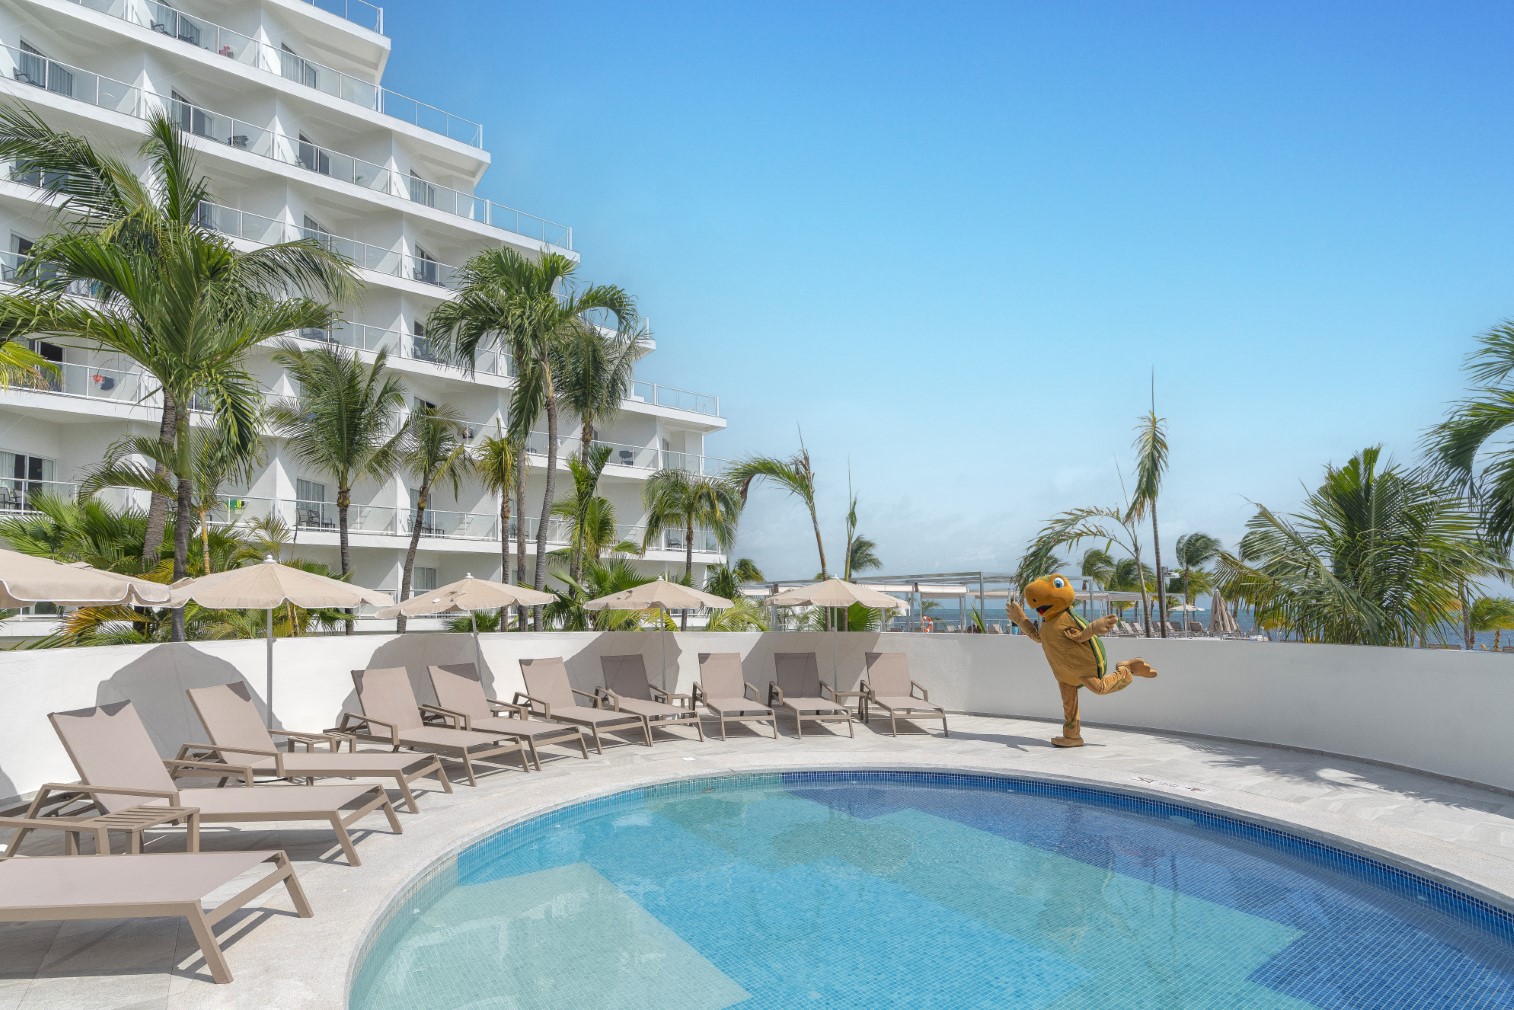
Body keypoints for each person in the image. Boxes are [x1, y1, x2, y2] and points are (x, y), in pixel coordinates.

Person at [1007, 573, 1157, 748]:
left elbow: (1080, 636)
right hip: (1063, 673)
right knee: (1068, 705)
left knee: (1100, 688)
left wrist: (1094, 627)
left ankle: (1126, 670)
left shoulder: (1066, 619)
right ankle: (1072, 736)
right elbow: (1037, 637)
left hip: (1080, 669)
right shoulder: (1047, 623)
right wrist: (1021, 619)